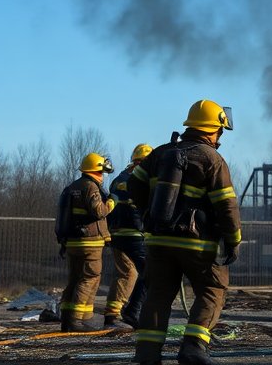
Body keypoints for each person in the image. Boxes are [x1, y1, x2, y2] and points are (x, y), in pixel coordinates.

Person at [128, 100, 241, 365]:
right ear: (215, 129)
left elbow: (133, 184)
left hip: (157, 240)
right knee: (213, 289)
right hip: (196, 243)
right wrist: (233, 240)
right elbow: (226, 205)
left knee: (157, 294)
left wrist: (148, 213)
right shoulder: (212, 159)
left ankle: (146, 354)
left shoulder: (159, 153)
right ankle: (194, 347)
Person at [56, 152, 115, 332]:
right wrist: (112, 203)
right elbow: (98, 212)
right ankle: (76, 320)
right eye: (102, 172)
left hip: (73, 242)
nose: (103, 176)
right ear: (97, 170)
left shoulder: (73, 186)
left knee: (74, 279)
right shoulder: (91, 186)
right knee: (89, 278)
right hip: (90, 242)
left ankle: (68, 320)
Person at [103, 143, 152, 329]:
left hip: (116, 234)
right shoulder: (141, 179)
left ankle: (112, 316)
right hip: (134, 233)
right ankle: (133, 312)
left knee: (126, 273)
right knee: (150, 272)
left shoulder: (118, 179)